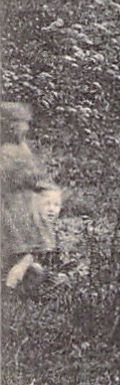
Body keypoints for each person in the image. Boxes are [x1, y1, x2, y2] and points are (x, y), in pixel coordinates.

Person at [2, 103, 61, 291]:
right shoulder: (7, 151)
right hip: (11, 206)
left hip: (23, 203)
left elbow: (33, 174)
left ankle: (26, 275)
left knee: (29, 247)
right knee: (24, 246)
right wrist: (42, 184)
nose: (25, 128)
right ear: (9, 125)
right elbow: (27, 175)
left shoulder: (21, 147)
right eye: (21, 124)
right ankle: (14, 280)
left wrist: (45, 187)